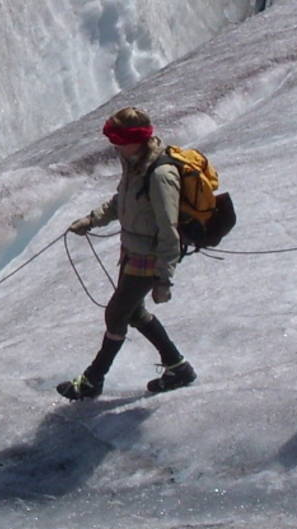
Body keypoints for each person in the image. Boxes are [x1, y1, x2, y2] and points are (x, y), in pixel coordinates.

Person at [58, 108, 197, 400]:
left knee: (116, 314)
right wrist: (92, 220)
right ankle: (178, 366)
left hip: (148, 259)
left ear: (136, 139)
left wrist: (164, 279)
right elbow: (121, 201)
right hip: (132, 253)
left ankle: (94, 379)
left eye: (118, 140)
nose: (114, 145)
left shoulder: (160, 175)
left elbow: (169, 230)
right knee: (133, 312)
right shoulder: (134, 163)